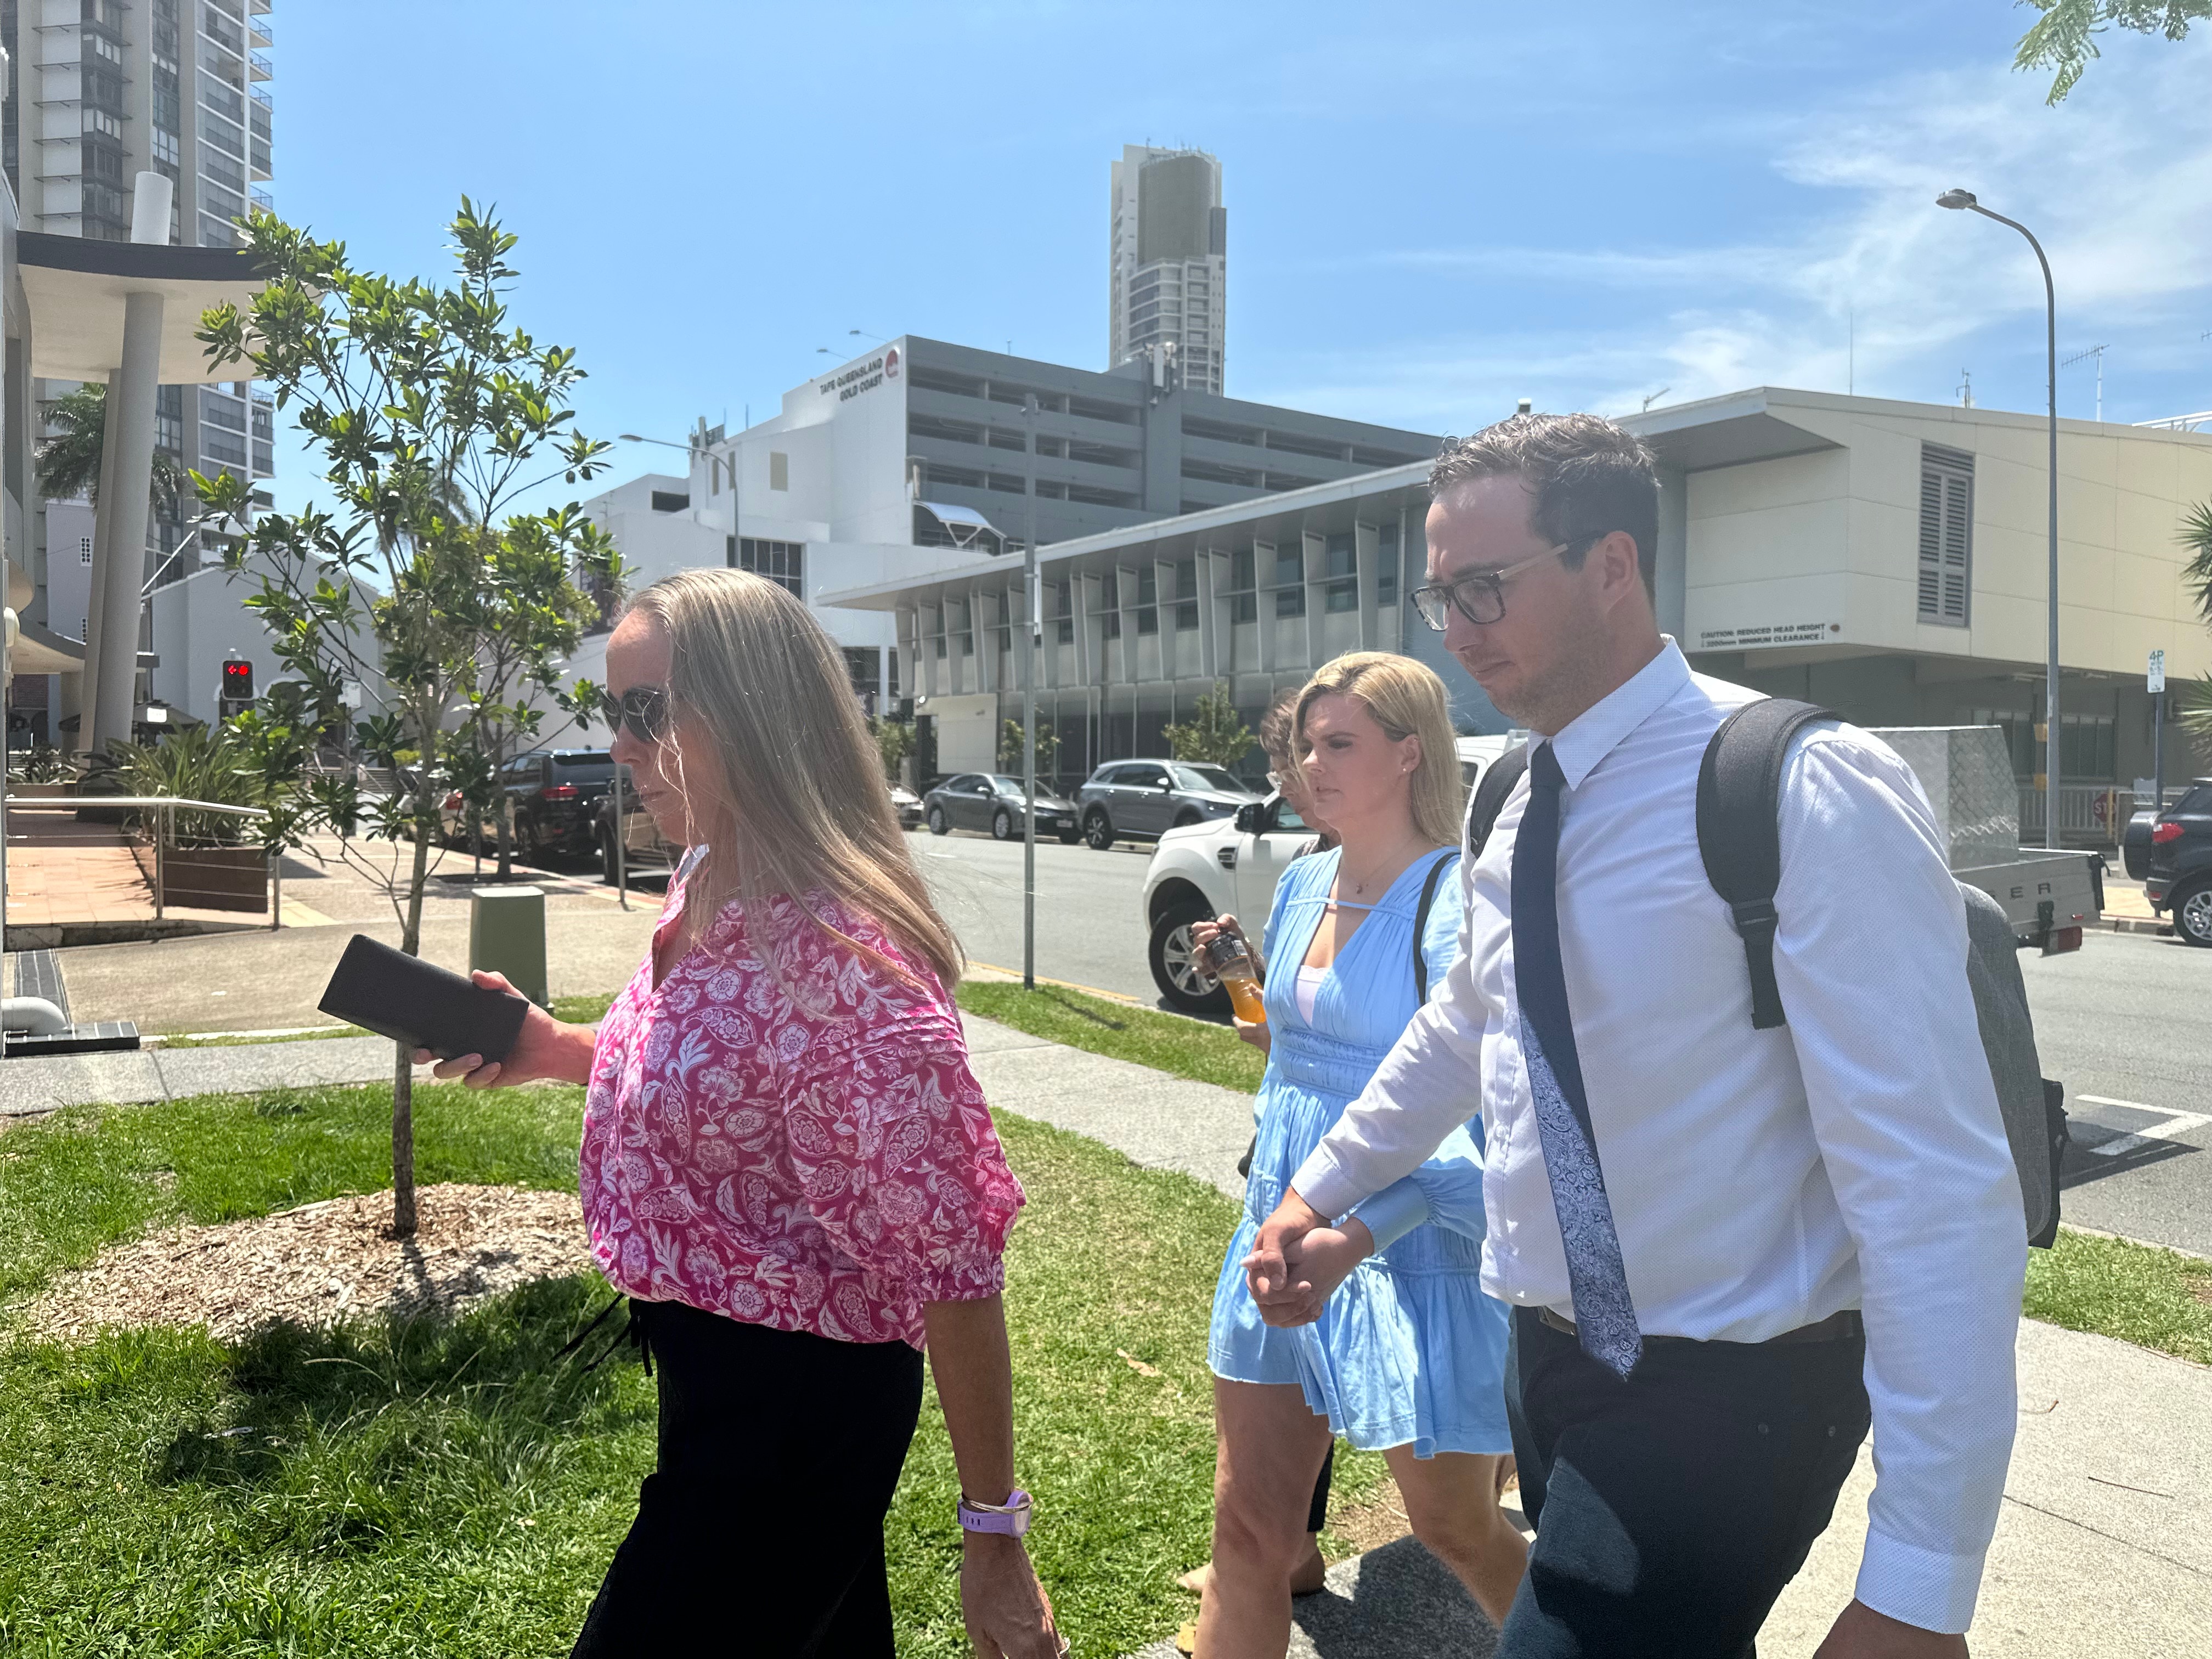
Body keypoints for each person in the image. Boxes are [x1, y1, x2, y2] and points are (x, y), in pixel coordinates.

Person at [1246, 414, 2027, 1657]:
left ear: (1613, 565)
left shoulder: (1798, 786)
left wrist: (1919, 1592)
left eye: (1486, 589)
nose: (1453, 632)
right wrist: (1320, 1187)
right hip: (1546, 1363)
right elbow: (1469, 1025)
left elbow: (1936, 1189)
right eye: (1438, 595)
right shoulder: (1510, 790)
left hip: (1733, 1391)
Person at [418, 568, 1063, 1659]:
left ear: (751, 715)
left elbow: (955, 1269)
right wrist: (551, 1049)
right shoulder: (708, 874)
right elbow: (713, 1082)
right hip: (717, 1392)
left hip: (792, 1420)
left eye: (642, 711)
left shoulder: (849, 970)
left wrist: (995, 1539)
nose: (618, 745)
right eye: (610, 711)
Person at [1197, 652, 1528, 1659]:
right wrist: (1240, 989)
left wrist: (1358, 1232)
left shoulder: (1456, 900)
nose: (1311, 764)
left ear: (1407, 752)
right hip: (1280, 1226)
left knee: (1456, 1529)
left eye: (1339, 743)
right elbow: (1295, 1056)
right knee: (1249, 1531)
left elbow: (1473, 1127)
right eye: (1307, 744)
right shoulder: (1300, 881)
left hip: (1408, 1246)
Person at [1180, 690, 1340, 1605]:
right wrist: (1245, 975)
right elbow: (1271, 1034)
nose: (1294, 780)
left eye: (1314, 755)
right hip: (1288, 1149)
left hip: (1376, 1165)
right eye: (1293, 760)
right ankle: (1286, 1548)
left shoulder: (1434, 879)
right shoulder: (1309, 878)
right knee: (1288, 1356)